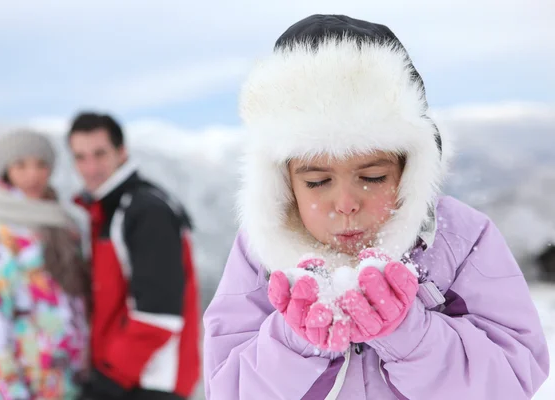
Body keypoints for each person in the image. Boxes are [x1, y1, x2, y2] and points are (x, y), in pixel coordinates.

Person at [203, 14, 549, 400]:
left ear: (408, 169)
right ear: (284, 183)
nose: (347, 204)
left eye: (372, 177)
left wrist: (409, 335)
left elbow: (513, 380)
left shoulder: (461, 238)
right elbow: (227, 388)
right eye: (317, 182)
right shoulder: (260, 254)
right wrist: (296, 340)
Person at [67, 112, 200, 400]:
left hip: (152, 383)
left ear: (121, 152)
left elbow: (158, 315)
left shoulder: (145, 211)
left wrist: (107, 381)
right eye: (80, 157)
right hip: (129, 379)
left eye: (100, 153)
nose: (90, 167)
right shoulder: (108, 211)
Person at [0, 129, 90, 400]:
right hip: (27, 382)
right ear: (6, 171)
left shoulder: (64, 225)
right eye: (21, 165)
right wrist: (9, 390)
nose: (33, 175)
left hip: (71, 379)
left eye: (41, 164)